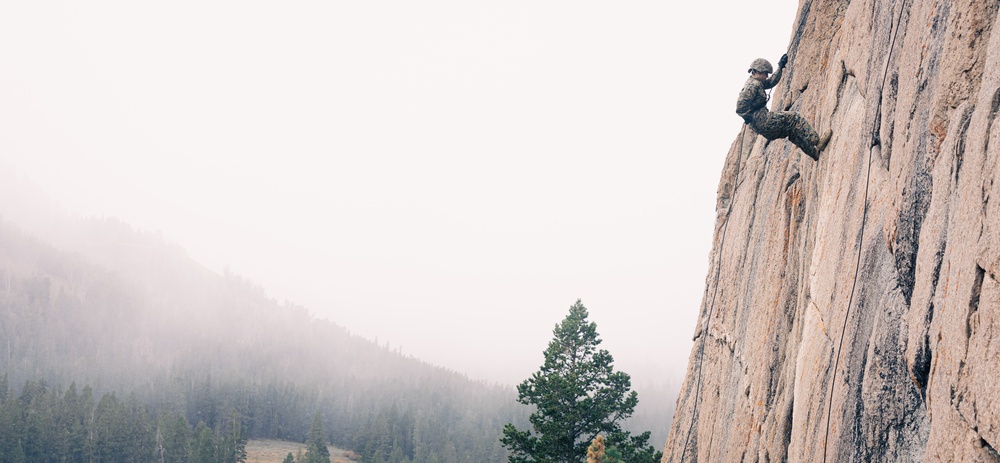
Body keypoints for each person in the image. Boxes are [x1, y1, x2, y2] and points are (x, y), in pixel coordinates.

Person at [736, 54, 828, 160]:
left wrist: (780, 67)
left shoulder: (757, 82)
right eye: (765, 73)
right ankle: (817, 141)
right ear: (757, 72)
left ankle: (813, 153)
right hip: (763, 121)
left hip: (761, 125)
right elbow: (739, 107)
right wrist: (747, 116)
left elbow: (770, 82)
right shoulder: (752, 86)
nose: (766, 76)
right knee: (794, 117)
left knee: (791, 130)